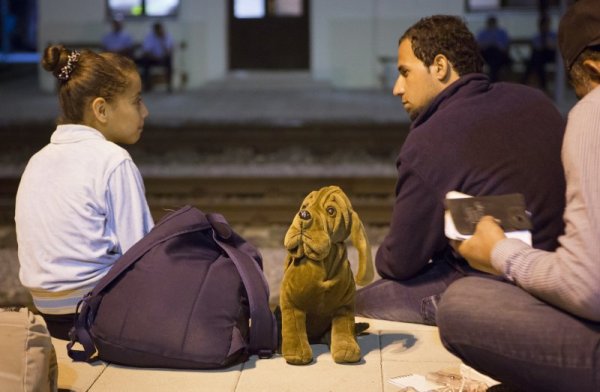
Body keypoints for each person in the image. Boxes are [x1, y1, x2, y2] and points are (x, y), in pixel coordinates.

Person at [354, 15, 566, 325]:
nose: (397, 89)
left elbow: (399, 262)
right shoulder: (534, 100)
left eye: (405, 73)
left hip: (501, 288)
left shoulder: (429, 140)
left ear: (439, 67)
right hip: (558, 271)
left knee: (357, 304)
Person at [436, 1, 600, 390]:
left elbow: (588, 288)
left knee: (462, 303)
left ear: (593, 69)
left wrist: (498, 251)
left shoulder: (593, 114)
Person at [15, 44, 154, 340]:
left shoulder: (38, 159)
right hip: (98, 313)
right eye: (137, 101)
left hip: (50, 312)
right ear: (101, 109)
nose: (145, 111)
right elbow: (142, 256)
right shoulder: (113, 160)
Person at [521, 14, 557, 92]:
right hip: (541, 57)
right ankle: (543, 86)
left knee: (534, 60)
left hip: (551, 55)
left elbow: (555, 48)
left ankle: (524, 82)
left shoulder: (553, 35)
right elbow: (535, 48)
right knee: (537, 60)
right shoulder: (536, 36)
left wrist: (549, 44)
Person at [139, 21, 174, 92]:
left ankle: (169, 85)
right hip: (152, 58)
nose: (159, 31)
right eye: (157, 29)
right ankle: (147, 85)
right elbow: (146, 51)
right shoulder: (149, 37)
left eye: (160, 29)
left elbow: (168, 51)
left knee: (169, 61)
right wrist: (153, 57)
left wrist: (162, 40)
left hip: (163, 58)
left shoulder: (167, 36)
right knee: (145, 61)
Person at [477, 15, 512, 82]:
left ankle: (493, 77)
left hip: (499, 53)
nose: (491, 24)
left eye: (492, 22)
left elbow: (506, 46)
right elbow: (479, 46)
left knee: (495, 56)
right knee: (491, 54)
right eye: (490, 22)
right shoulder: (482, 33)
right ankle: (494, 77)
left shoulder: (502, 32)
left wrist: (497, 45)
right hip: (486, 54)